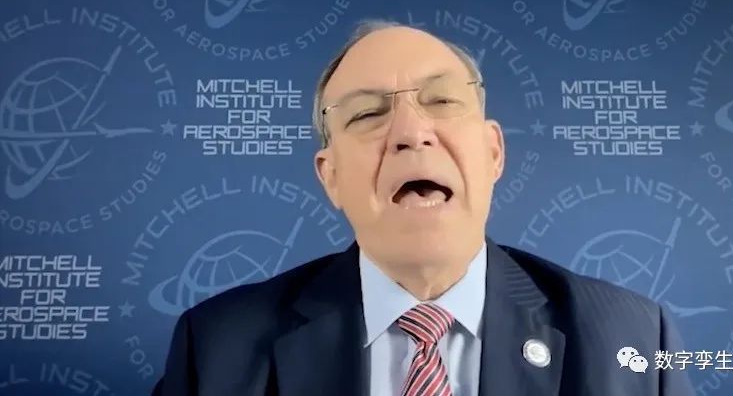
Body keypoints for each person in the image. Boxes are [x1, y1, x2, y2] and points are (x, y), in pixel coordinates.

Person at [152, 20, 695, 396]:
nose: (411, 133)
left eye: (441, 101)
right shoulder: (217, 347)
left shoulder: (633, 339)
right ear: (330, 176)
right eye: (367, 114)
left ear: (493, 152)